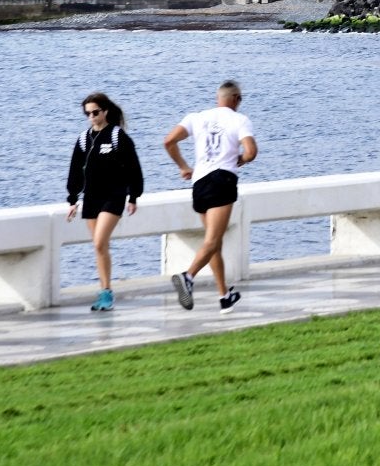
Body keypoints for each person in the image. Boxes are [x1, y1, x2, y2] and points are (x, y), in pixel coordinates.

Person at [163, 80, 258, 311]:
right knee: (213, 241)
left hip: (200, 182)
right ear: (236, 99)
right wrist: (241, 160)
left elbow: (169, 141)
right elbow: (251, 151)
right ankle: (187, 277)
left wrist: (183, 166)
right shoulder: (240, 120)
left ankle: (224, 296)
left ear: (218, 98)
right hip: (222, 181)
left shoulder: (197, 117)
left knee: (213, 242)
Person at [65, 92, 144, 312]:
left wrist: (133, 196)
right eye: (88, 114)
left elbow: (133, 168)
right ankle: (105, 291)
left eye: (95, 112)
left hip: (113, 197)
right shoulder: (84, 139)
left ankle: (107, 293)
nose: (91, 117)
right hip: (91, 197)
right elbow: (75, 171)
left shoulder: (117, 136)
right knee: (99, 247)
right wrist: (73, 199)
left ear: (105, 111)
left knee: (100, 242)